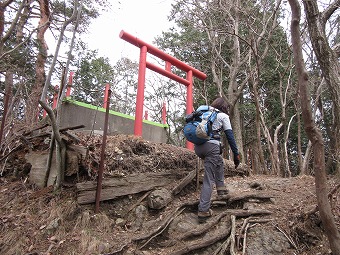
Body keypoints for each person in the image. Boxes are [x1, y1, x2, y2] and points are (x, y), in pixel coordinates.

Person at [195, 97, 240, 223]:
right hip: (212, 148)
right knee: (209, 179)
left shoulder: (204, 113)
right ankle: (203, 210)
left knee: (218, 162)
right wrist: (236, 155)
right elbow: (230, 137)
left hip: (198, 147)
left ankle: (221, 189)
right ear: (224, 107)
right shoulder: (223, 116)